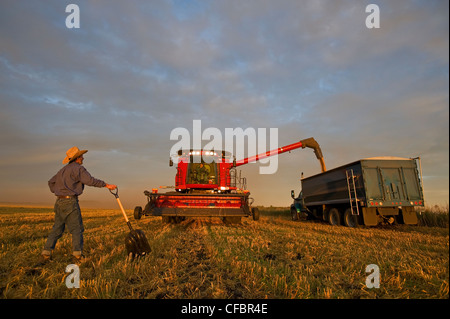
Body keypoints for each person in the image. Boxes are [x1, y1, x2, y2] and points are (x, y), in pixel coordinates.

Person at [42, 146, 116, 263]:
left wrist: (58, 191)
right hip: (70, 202)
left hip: (59, 202)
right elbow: (90, 180)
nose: (83, 158)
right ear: (77, 158)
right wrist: (106, 185)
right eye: (81, 156)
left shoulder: (63, 170)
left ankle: (46, 253)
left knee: (57, 228)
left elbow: (51, 182)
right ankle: (77, 256)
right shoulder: (78, 169)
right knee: (77, 229)